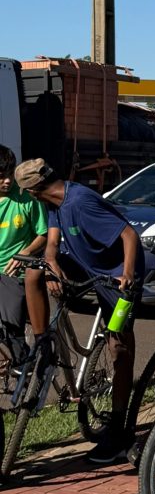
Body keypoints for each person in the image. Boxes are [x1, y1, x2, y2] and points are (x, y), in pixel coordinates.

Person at [17, 158, 145, 464]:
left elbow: (129, 234)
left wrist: (127, 275)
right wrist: (51, 263)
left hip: (116, 276)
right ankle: (43, 342)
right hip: (87, 267)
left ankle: (119, 429)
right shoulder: (54, 202)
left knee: (120, 349)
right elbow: (52, 242)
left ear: (33, 190)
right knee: (34, 272)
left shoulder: (80, 202)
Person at [0, 145, 48, 348]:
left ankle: (22, 365)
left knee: (12, 331)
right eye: (1, 176)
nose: (7, 181)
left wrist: (25, 253)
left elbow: (44, 234)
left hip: (12, 273)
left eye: (10, 174)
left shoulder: (27, 198)